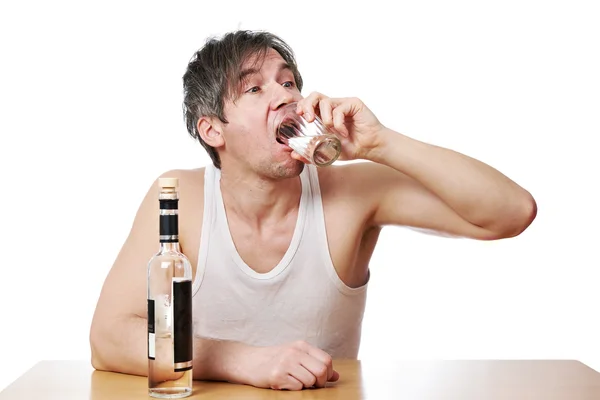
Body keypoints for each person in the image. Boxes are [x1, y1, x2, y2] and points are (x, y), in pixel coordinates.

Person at [89, 30, 537, 391]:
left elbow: (512, 212)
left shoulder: (351, 191)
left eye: (288, 82)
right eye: (254, 87)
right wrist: (243, 361)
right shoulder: (179, 195)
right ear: (212, 129)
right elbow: (108, 338)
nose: (286, 95)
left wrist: (382, 144)